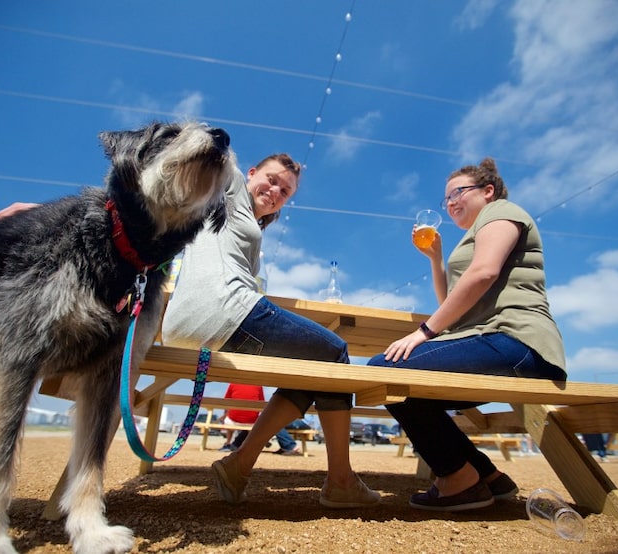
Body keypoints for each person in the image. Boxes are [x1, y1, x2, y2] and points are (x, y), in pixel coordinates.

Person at [161, 153, 380, 508]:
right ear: (249, 173)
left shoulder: (239, 224)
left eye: (286, 191)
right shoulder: (228, 189)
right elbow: (213, 152)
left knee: (310, 372)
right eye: (271, 179)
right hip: (226, 309)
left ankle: (239, 464)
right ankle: (341, 481)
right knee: (336, 354)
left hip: (191, 322)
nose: (276, 190)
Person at [367, 157, 567, 512]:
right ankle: (487, 476)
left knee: (385, 371)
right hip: (495, 338)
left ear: (488, 192)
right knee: (409, 386)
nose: (451, 203)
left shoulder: (502, 211)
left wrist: (423, 333)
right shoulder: (470, 238)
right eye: (447, 199)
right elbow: (453, 307)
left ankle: (458, 479)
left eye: (458, 192)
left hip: (517, 338)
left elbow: (484, 273)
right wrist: (435, 258)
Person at [221, 383, 302, 456]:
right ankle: (238, 445)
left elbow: (226, 401)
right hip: (252, 420)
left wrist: (224, 415)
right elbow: (262, 403)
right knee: (261, 422)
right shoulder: (258, 385)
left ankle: (228, 443)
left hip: (235, 420)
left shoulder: (233, 383)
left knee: (270, 421)